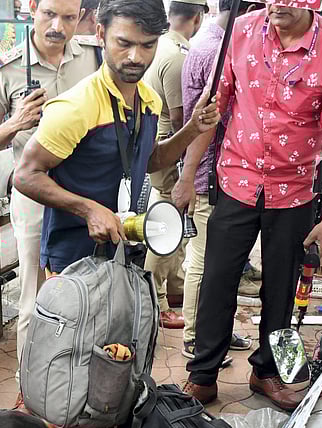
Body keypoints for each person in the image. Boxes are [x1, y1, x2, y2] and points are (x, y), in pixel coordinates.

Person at [13, 0, 219, 428]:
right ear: (99, 33)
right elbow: (26, 175)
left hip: (120, 259)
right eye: (124, 42)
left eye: (147, 45)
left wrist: (194, 127)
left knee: (108, 368)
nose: (135, 55)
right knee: (70, 372)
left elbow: (149, 162)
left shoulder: (145, 100)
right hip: (72, 267)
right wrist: (86, 208)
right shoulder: (78, 105)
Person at [177, 3, 322, 412]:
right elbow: (212, 108)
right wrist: (188, 175)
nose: (276, 3)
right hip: (235, 179)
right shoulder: (239, 31)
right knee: (217, 280)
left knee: (283, 287)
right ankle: (202, 375)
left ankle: (269, 371)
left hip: (295, 190)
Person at [0, 0, 101, 409]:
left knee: (92, 289)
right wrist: (15, 123)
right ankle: (30, 388)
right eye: (50, 14)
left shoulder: (95, 55)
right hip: (33, 192)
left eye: (68, 17)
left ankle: (84, 380)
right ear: (32, 7)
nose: (58, 27)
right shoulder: (6, 67)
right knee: (34, 296)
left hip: (88, 191)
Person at [172, 0, 263, 361]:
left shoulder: (211, 40)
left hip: (207, 170)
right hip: (208, 172)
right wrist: (190, 175)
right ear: (251, 7)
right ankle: (196, 339)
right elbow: (209, 120)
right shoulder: (219, 49)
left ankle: (211, 334)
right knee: (203, 261)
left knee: (206, 259)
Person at [141, 0, 207, 330]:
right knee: (168, 224)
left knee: (167, 220)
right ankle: (156, 300)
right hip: (169, 150)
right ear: (196, 18)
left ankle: (171, 287)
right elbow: (183, 118)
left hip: (156, 146)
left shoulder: (158, 47)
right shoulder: (177, 57)